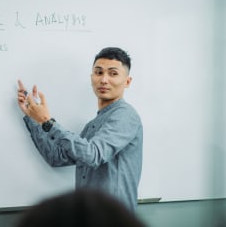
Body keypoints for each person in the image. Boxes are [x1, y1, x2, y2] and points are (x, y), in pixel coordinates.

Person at [17, 47, 143, 211]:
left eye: (113, 73)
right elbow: (56, 157)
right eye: (98, 73)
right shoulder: (93, 124)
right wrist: (35, 120)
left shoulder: (125, 115)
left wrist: (47, 121)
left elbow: (93, 155)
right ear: (91, 78)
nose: (104, 80)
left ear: (127, 81)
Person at [15, 189, 146, 227]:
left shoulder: (125, 122)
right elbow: (59, 157)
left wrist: (46, 121)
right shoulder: (91, 128)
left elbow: (92, 155)